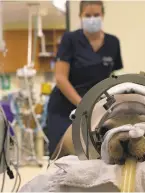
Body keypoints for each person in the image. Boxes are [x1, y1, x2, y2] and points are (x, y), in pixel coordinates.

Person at [46, 0, 123, 157]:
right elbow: (60, 78)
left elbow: (111, 79)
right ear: (80, 16)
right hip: (64, 107)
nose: (92, 18)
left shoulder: (112, 42)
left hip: (93, 107)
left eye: (96, 15)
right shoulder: (70, 39)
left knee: (93, 152)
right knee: (61, 154)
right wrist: (82, 105)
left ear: (103, 16)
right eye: (87, 15)